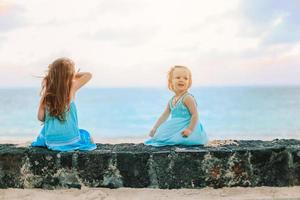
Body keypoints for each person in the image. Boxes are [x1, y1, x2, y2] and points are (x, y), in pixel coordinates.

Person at [32, 57, 96, 151]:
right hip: (70, 140)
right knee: (86, 135)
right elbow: (88, 75)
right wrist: (71, 75)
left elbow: (40, 117)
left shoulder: (47, 93)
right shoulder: (71, 87)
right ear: (70, 74)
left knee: (45, 132)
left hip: (51, 141)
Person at [144, 65, 208, 146]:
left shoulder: (187, 98)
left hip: (188, 126)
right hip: (177, 126)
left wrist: (190, 129)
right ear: (171, 81)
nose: (182, 80)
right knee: (160, 134)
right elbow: (164, 116)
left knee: (176, 139)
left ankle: (185, 137)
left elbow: (195, 114)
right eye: (178, 77)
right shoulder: (171, 100)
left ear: (189, 82)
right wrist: (155, 128)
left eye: (185, 78)